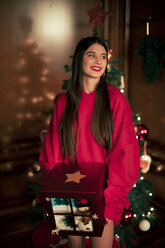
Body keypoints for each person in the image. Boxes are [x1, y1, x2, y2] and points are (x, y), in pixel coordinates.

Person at [38, 37, 140, 248]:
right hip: (71, 194)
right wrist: (55, 193)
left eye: (103, 56)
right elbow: (53, 149)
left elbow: (125, 154)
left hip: (103, 195)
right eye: (92, 55)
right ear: (79, 60)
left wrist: (112, 202)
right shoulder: (64, 102)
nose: (98, 61)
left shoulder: (116, 101)